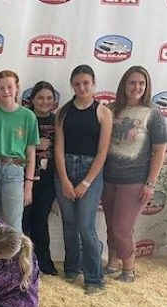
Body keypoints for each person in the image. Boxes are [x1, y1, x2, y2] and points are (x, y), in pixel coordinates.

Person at [103, 66, 167, 282]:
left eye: (141, 83)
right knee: (111, 226)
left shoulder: (154, 113)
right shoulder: (111, 110)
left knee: (122, 228)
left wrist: (150, 183)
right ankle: (112, 263)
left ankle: (129, 269)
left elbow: (159, 150)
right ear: (124, 84)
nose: (137, 87)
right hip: (108, 177)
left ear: (147, 86)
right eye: (132, 82)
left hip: (135, 180)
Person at [54, 65, 113, 294]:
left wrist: (86, 182)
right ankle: (71, 268)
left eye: (86, 83)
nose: (81, 87)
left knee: (86, 226)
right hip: (65, 170)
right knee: (69, 224)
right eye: (77, 84)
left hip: (92, 171)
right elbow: (58, 150)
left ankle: (94, 279)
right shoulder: (63, 112)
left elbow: (103, 152)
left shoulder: (103, 112)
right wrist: (66, 180)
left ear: (93, 83)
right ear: (72, 85)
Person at [0, 70, 38, 232]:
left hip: (15, 171)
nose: (5, 91)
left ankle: (15, 258)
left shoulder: (28, 116)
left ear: (17, 88)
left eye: (9, 87)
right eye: (1, 88)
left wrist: (28, 184)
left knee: (14, 222)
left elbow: (30, 151)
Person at [22, 81, 59, 275]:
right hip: (22, 178)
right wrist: (36, 145)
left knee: (40, 220)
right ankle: (21, 263)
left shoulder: (57, 120)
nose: (45, 102)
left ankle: (43, 261)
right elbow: (12, 145)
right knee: (22, 220)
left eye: (49, 98)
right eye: (40, 98)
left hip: (47, 179)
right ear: (32, 100)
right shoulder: (24, 117)